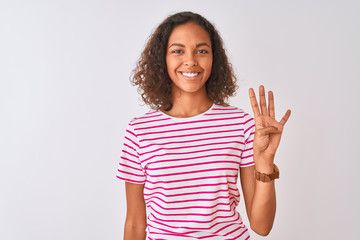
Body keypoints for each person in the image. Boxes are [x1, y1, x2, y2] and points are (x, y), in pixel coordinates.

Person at [117, 11, 291, 240]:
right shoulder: (140, 131)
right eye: (178, 50)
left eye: (201, 51)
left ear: (213, 58)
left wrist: (266, 162)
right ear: (163, 59)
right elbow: (135, 224)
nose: (191, 61)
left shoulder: (241, 124)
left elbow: (262, 226)